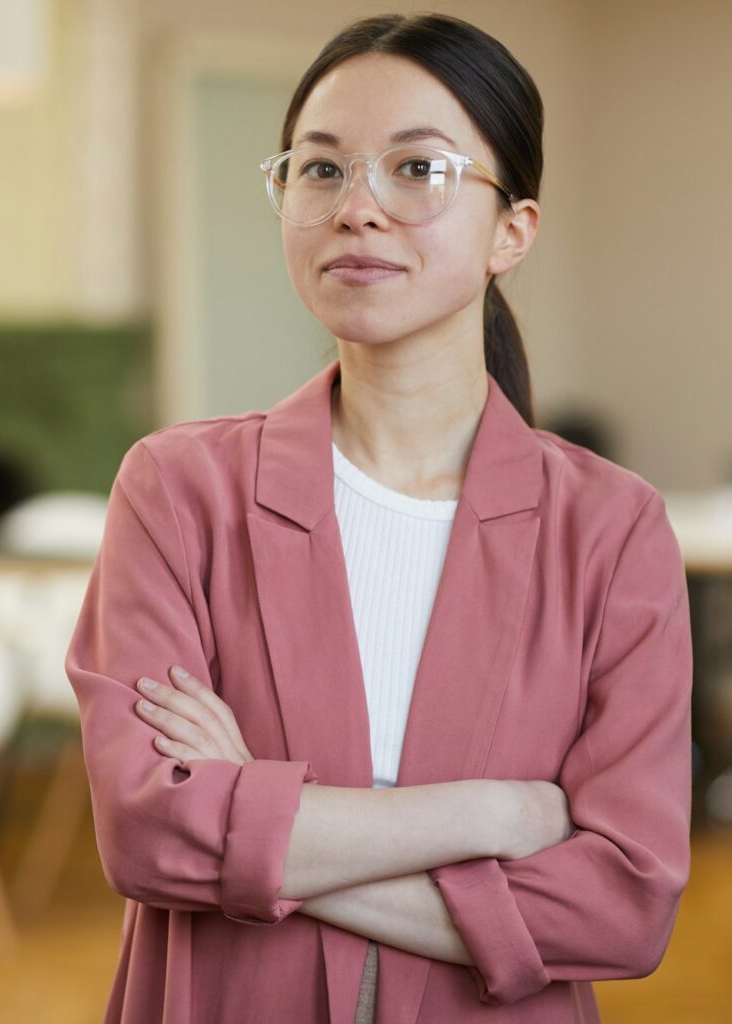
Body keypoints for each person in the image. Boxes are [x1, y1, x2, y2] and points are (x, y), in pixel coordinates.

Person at [65, 12, 692, 1024]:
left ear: (512, 230)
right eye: (319, 171)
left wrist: (251, 818)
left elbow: (623, 906)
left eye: (417, 170)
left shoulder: (613, 531)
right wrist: (496, 814)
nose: (357, 208)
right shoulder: (179, 489)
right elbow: (148, 834)